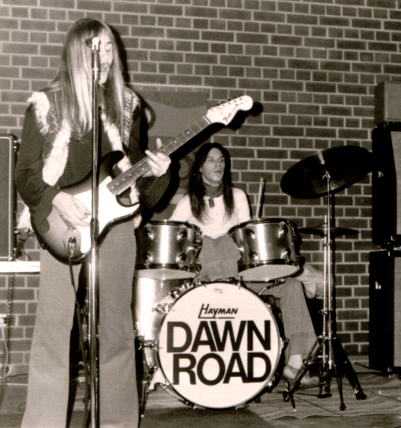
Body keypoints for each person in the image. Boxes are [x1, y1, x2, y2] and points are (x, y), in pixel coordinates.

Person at [14, 18, 171, 427]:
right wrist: (56, 199)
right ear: (75, 53)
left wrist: (159, 171)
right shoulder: (47, 103)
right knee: (54, 327)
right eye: (92, 48)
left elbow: (134, 173)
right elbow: (25, 172)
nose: (101, 56)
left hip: (115, 224)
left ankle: (118, 422)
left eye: (107, 48)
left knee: (117, 329)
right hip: (61, 223)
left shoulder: (126, 106)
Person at [170, 142, 318, 385]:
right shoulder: (189, 201)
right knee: (210, 243)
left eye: (222, 160)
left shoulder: (237, 196)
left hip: (239, 274)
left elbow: (246, 239)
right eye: (211, 160)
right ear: (199, 167)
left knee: (292, 286)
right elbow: (175, 237)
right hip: (208, 279)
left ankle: (295, 363)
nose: (218, 164)